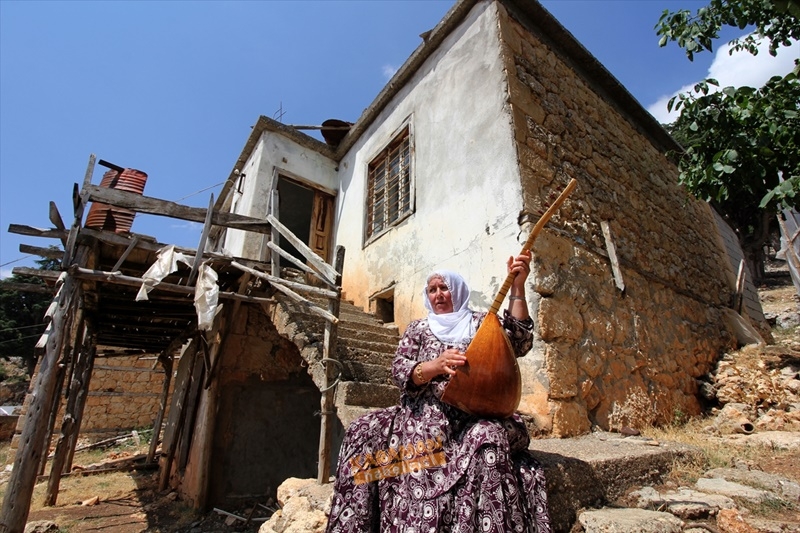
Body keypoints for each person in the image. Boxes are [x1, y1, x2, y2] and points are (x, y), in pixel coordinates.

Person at [326, 251, 552, 533]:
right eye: (432, 290)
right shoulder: (418, 329)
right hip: (423, 419)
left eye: (444, 287)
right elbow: (399, 370)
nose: (438, 295)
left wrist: (517, 285)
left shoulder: (482, 323)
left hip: (471, 417)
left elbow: (519, 341)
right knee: (362, 429)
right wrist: (434, 366)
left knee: (488, 437)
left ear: (457, 290)